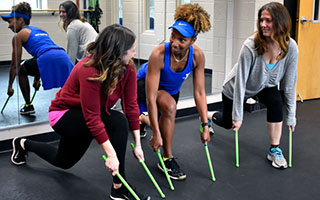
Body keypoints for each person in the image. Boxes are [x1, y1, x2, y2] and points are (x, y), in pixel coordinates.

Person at [11, 24, 151, 200]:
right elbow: (93, 117)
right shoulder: (89, 68)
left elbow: (131, 105)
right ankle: (119, 186)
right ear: (117, 52)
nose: (134, 53)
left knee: (63, 161)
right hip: (64, 115)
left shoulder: (128, 67)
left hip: (88, 114)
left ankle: (23, 144)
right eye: (132, 50)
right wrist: (111, 154)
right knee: (117, 121)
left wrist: (138, 144)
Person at [208, 2, 298, 169]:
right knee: (228, 123)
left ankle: (274, 149)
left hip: (264, 85)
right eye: (261, 20)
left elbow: (290, 85)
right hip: (236, 87)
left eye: (268, 20)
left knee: (275, 101)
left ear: (281, 22)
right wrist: (238, 116)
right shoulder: (250, 45)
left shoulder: (291, 48)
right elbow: (241, 81)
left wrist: (291, 114)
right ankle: (207, 116)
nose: (263, 24)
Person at [136, 3, 211, 180]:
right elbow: (151, 95)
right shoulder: (159, 54)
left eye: (182, 40)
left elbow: (200, 93)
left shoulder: (197, 56)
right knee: (169, 109)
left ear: (193, 41)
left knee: (167, 114)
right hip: (143, 86)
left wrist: (206, 125)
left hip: (171, 92)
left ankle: (141, 119)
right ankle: (167, 158)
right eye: (173, 36)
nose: (175, 43)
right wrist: (155, 134)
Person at [1, 2, 73, 115]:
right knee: (68, 85)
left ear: (20, 20)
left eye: (10, 21)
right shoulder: (40, 29)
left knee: (21, 69)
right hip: (63, 55)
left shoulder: (18, 36)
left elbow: (15, 65)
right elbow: (41, 55)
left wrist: (10, 86)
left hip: (47, 57)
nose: (9, 25)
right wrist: (36, 78)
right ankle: (73, 106)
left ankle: (28, 105)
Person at [59, 0, 98, 65]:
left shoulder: (73, 26)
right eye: (60, 11)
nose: (61, 14)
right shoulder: (81, 22)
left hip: (91, 55)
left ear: (70, 12)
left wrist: (69, 73)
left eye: (63, 12)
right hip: (95, 54)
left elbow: (71, 54)